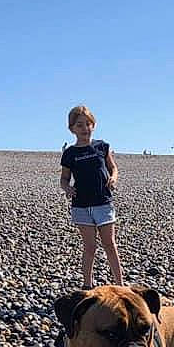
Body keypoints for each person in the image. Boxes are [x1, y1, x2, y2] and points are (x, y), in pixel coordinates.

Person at [60, 105, 124, 289]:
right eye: (79, 125)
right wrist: (67, 189)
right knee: (90, 247)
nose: (84, 128)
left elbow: (113, 168)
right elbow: (64, 179)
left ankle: (120, 284)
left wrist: (113, 178)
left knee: (109, 244)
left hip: (103, 203)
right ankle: (87, 285)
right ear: (72, 128)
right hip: (81, 206)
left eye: (88, 124)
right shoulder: (70, 153)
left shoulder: (102, 147)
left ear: (93, 125)